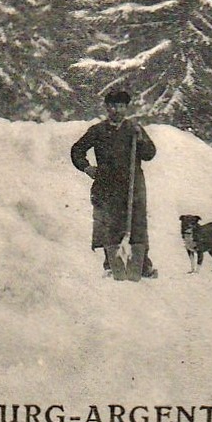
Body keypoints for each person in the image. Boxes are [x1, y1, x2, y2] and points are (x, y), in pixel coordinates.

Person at [70, 89, 158, 280]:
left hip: (133, 186)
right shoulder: (98, 131)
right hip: (107, 185)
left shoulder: (134, 129)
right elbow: (77, 150)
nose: (117, 110)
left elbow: (150, 154)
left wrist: (141, 139)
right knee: (110, 225)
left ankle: (142, 266)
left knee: (137, 224)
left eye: (121, 106)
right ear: (107, 108)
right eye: (113, 106)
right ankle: (111, 265)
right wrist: (87, 168)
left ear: (126, 108)